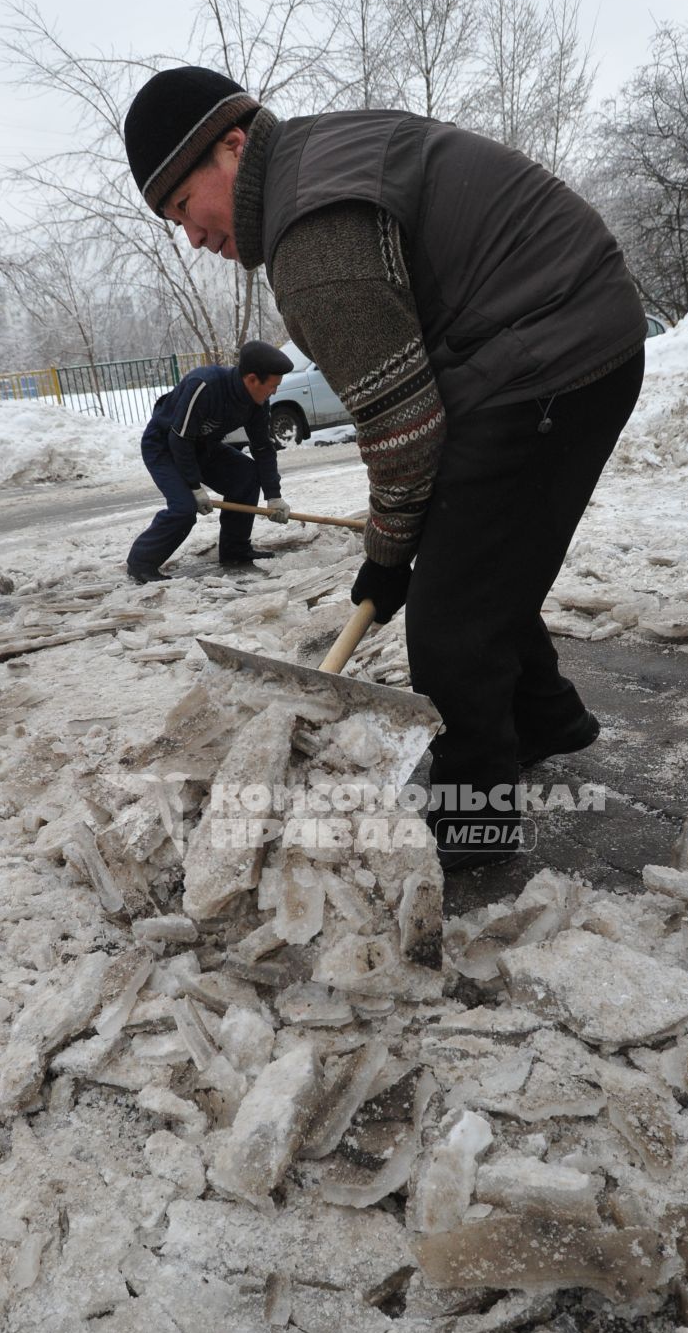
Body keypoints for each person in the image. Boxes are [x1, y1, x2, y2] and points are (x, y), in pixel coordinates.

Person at [123, 69, 645, 866]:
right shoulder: (316, 160)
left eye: (182, 209)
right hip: (550, 330)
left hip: (547, 351)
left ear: (230, 146)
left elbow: (404, 434)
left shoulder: (311, 238)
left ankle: (473, 827)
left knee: (448, 623)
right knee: (471, 562)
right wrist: (407, 547)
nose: (190, 237)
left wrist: (387, 555)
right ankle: (543, 717)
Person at [128, 338, 294, 582]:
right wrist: (194, 487)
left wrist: (274, 496)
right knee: (184, 509)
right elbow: (179, 440)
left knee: (247, 476)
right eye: (272, 386)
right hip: (164, 445)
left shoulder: (257, 403)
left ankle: (235, 551)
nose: (274, 391)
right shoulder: (205, 385)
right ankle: (141, 563)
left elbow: (263, 448)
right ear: (251, 379)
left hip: (202, 447)